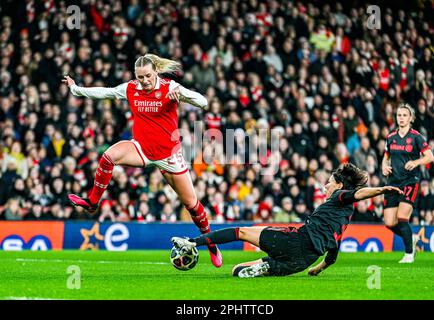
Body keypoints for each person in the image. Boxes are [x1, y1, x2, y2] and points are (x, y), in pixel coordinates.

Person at [62, 54, 222, 267]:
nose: (144, 81)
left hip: (169, 156)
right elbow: (106, 92)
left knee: (192, 205)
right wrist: (76, 88)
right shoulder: (131, 88)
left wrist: (184, 95)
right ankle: (93, 202)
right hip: (141, 149)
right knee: (109, 156)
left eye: (147, 76)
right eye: (140, 77)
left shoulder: (169, 87)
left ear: (155, 71)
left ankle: (211, 244)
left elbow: (203, 102)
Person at [172, 163, 403, 278]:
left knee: (241, 231)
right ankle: (266, 266)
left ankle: (191, 242)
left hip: (297, 241)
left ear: (340, 186)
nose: (325, 186)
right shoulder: (343, 219)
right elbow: (333, 252)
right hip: (302, 262)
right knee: (236, 271)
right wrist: (317, 268)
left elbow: (359, 193)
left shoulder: (339, 198)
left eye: (329, 182)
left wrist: (382, 189)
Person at [381, 103, 434, 263]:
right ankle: (412, 237)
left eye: (404, 115)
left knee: (402, 217)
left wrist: (416, 162)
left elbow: (430, 156)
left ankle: (409, 254)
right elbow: (386, 156)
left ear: (411, 118)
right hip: (393, 182)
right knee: (389, 222)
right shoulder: (390, 138)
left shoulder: (416, 137)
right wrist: (384, 166)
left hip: (410, 181)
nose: (401, 118)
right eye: (399, 115)